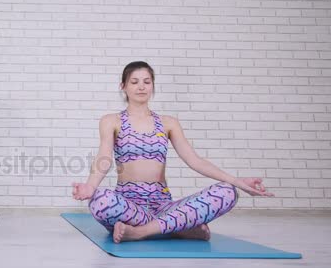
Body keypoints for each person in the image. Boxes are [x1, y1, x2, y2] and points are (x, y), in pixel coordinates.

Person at [72, 61, 273, 243]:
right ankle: (176, 227)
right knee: (99, 201)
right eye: (134, 82)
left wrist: (238, 182)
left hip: (163, 206)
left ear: (153, 86)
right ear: (123, 86)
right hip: (129, 206)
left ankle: (141, 232)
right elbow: (104, 158)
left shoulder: (168, 123)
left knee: (228, 192)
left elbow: (195, 161)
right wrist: (90, 186)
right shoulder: (111, 121)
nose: (141, 87)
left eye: (147, 82)